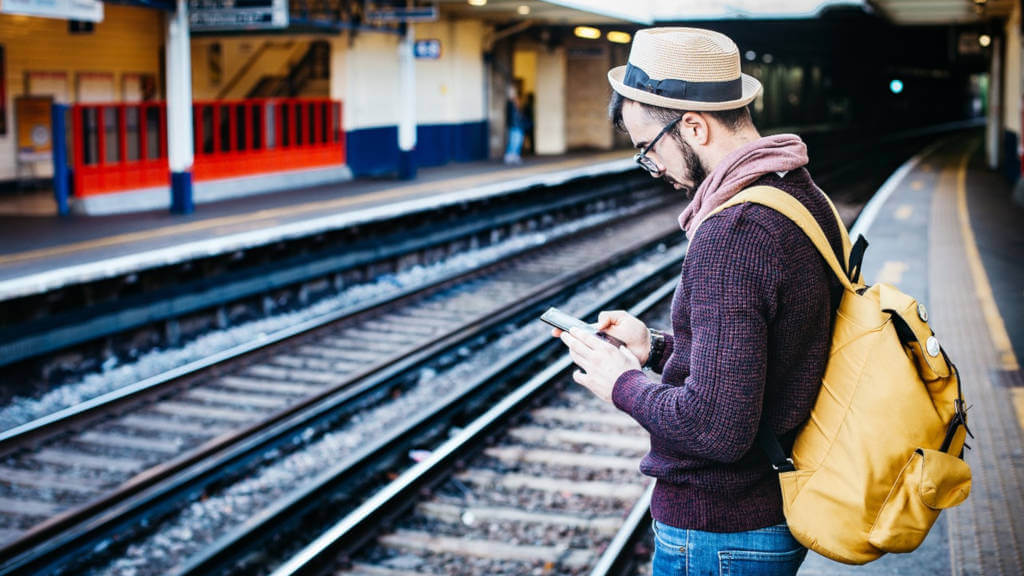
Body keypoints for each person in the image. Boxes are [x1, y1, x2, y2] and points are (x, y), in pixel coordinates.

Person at [552, 27, 844, 576]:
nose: (653, 166)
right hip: (766, 511)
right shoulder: (798, 192)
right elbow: (763, 357)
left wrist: (621, 381)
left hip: (721, 530)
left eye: (648, 147)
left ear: (692, 125)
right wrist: (656, 347)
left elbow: (714, 426)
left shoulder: (732, 233)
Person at [504, 84, 525, 164]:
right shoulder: (510, 104)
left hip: (519, 125)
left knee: (518, 140)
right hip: (514, 125)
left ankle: (514, 155)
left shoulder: (516, 105)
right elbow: (510, 116)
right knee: (514, 141)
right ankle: (510, 156)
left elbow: (519, 115)